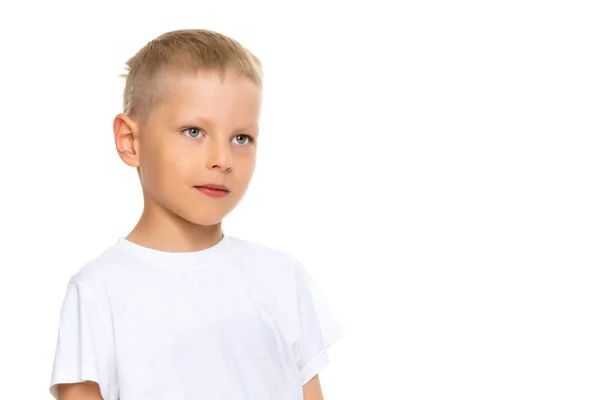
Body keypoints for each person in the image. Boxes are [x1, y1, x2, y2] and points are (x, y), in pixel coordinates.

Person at [48, 29, 344, 400]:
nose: (222, 159)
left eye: (241, 138)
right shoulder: (98, 292)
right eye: (194, 131)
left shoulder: (283, 277)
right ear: (130, 142)